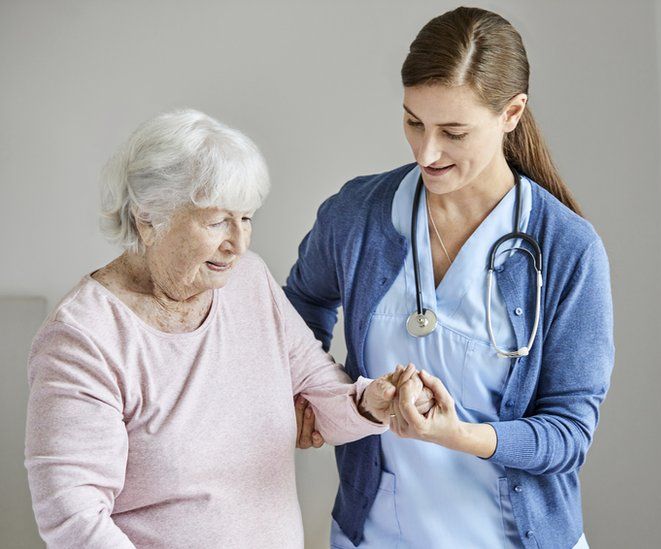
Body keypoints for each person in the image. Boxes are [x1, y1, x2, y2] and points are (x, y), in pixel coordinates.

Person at [286, 7, 614, 548]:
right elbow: (297, 309)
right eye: (414, 121)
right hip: (377, 534)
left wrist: (457, 435)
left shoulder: (567, 249)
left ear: (511, 113)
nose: (426, 152)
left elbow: (568, 435)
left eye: (453, 132)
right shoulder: (357, 215)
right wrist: (316, 396)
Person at [24, 109, 428, 548]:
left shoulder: (248, 282)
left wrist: (372, 402)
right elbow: (73, 519)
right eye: (217, 221)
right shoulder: (83, 337)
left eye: (247, 218)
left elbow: (318, 392)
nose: (238, 243)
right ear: (148, 219)